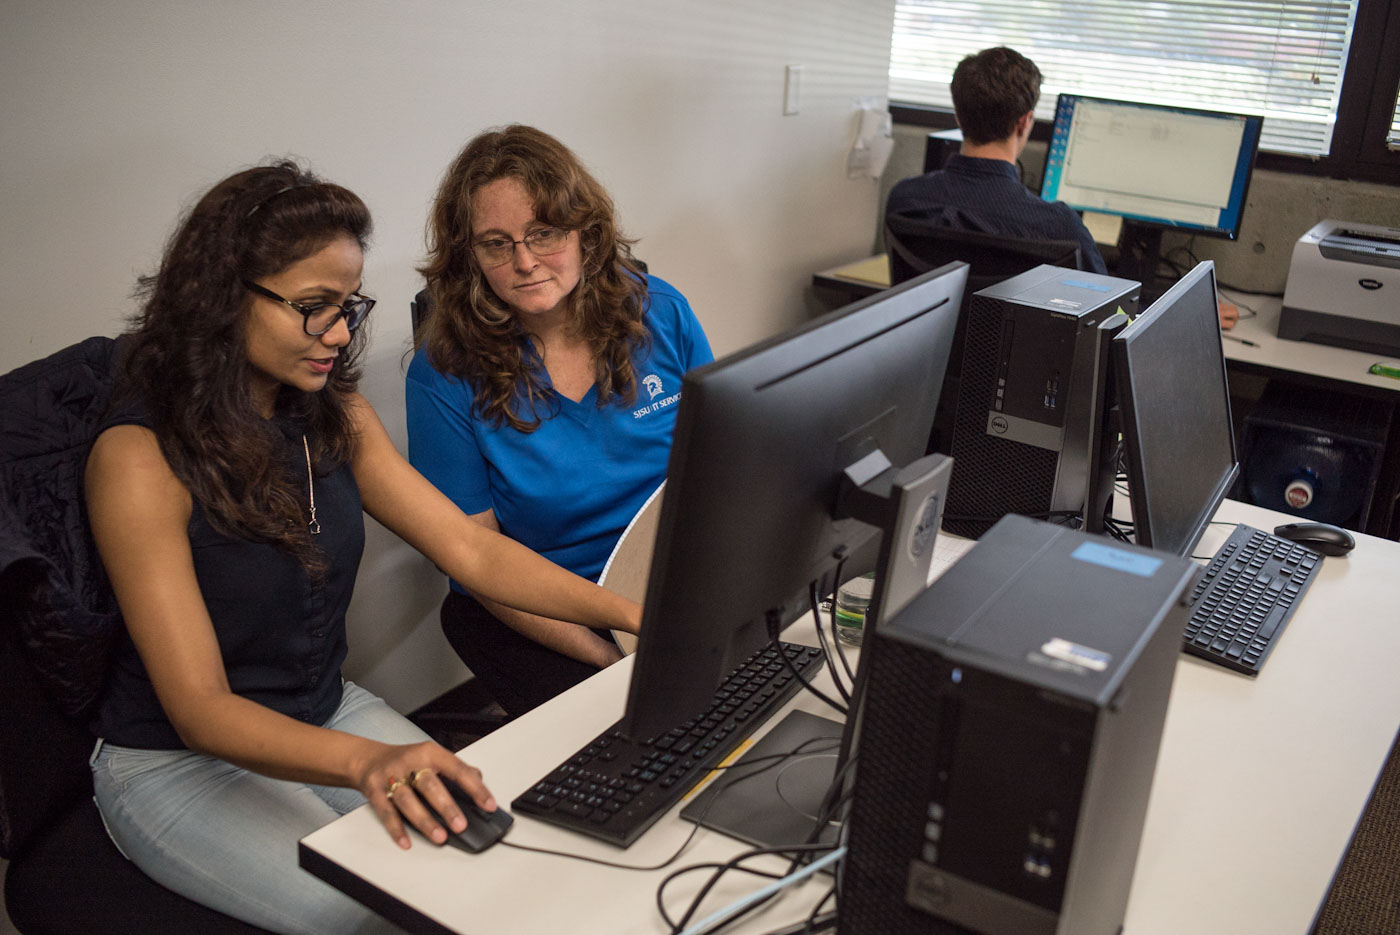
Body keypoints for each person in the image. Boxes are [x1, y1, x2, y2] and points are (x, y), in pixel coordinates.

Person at [85, 161, 642, 935]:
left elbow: (470, 550)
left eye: (348, 306)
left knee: (499, 864)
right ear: (220, 299)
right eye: (313, 308)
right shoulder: (140, 458)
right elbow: (202, 710)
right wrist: (365, 762)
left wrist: (632, 611)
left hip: (325, 709)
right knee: (376, 914)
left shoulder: (329, 411)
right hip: (175, 759)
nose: (341, 334)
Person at [406, 125, 713, 716]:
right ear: (469, 258)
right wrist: (608, 659)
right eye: (496, 244)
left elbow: (723, 468)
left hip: (675, 579)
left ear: (585, 234)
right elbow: (477, 558)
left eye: (543, 233)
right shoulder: (443, 372)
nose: (524, 262)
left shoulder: (662, 314)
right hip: (549, 610)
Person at [885, 46, 1110, 275]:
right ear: (1024, 123)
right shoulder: (1058, 226)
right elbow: (1114, 306)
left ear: (959, 118)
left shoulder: (905, 199)